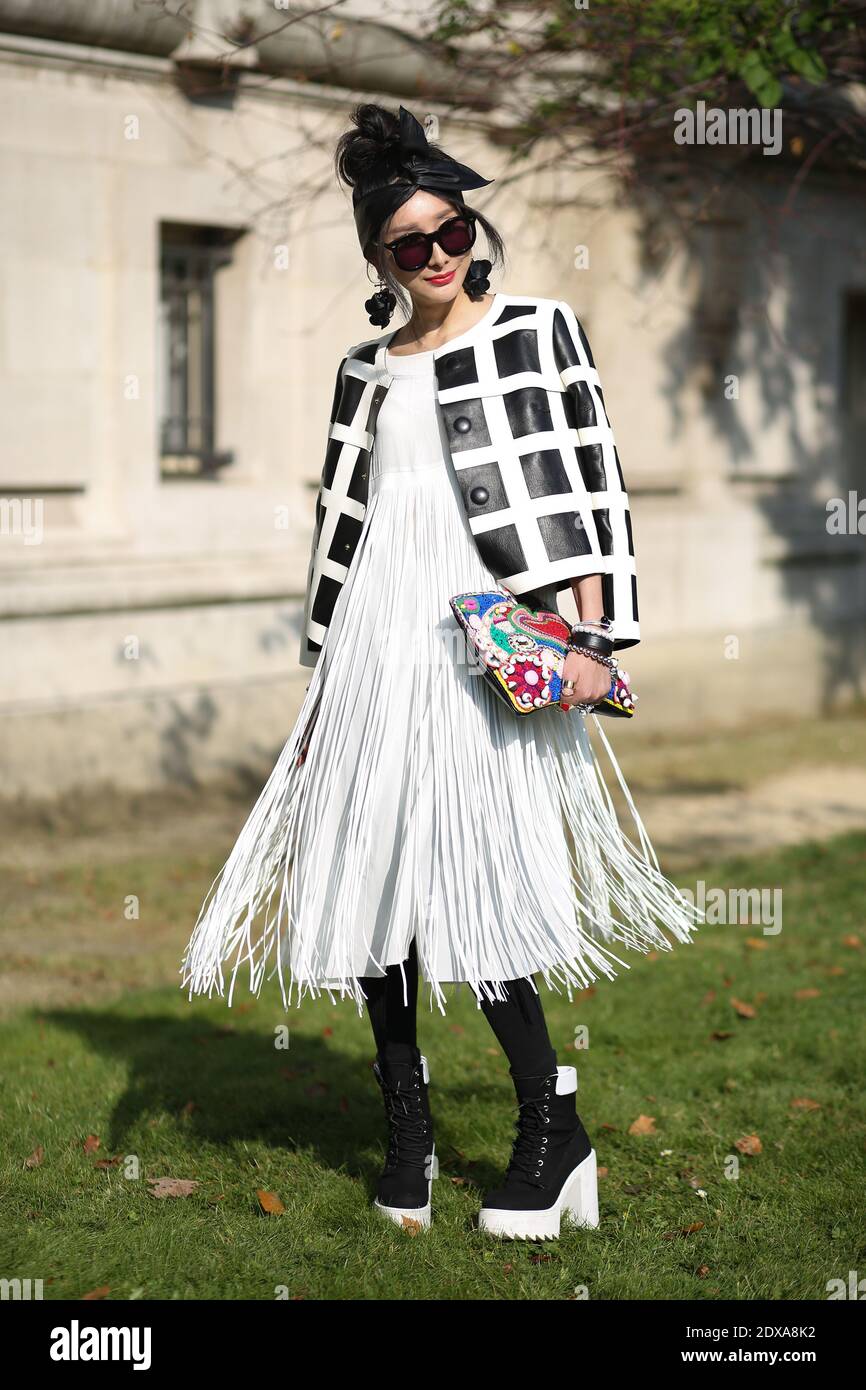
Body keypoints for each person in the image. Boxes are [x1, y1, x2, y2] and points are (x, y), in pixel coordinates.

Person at [181, 102, 703, 1242]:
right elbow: (338, 527)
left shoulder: (537, 331)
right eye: (409, 245)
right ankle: (406, 1131)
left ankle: (548, 1131)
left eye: (452, 232)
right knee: (375, 877)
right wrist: (320, 683)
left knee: (478, 877)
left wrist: (591, 641)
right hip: (375, 637)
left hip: (487, 637)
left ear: (473, 228)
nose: (437, 258)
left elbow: (591, 484)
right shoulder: (360, 371)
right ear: (378, 258)